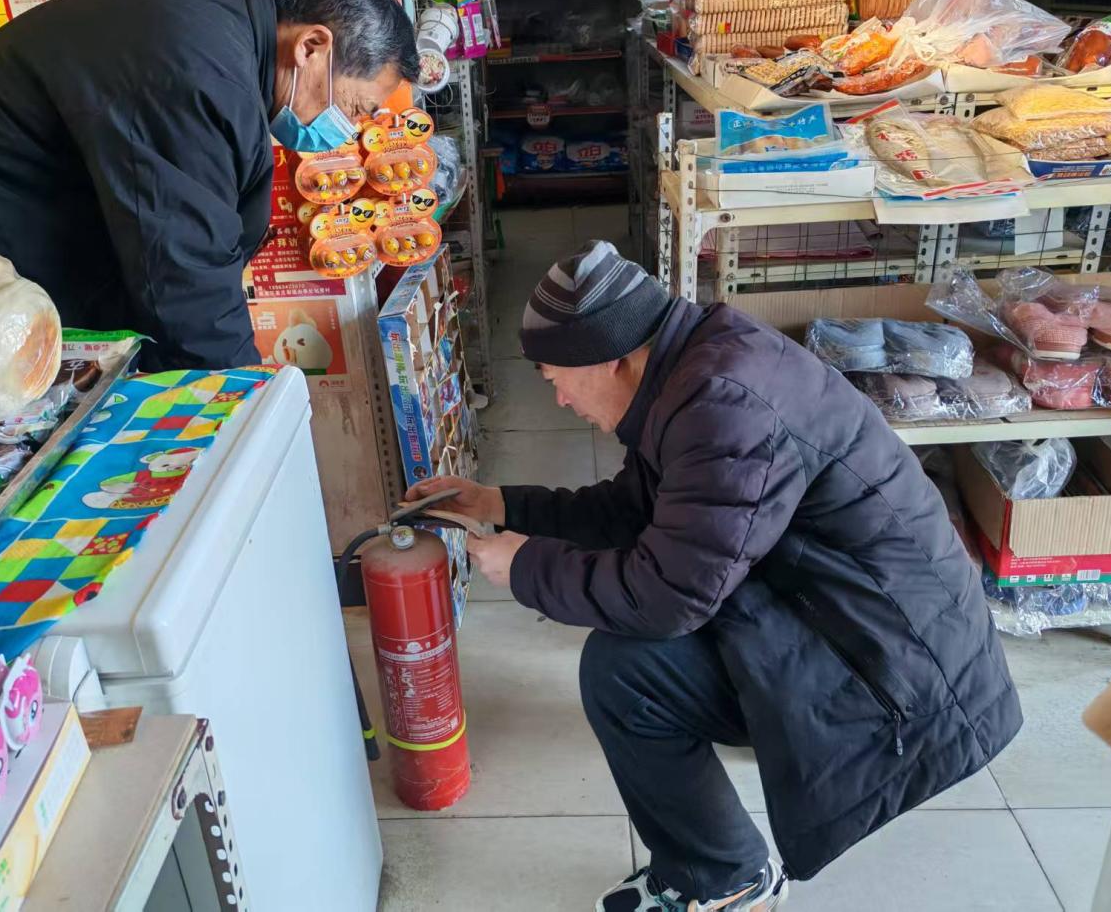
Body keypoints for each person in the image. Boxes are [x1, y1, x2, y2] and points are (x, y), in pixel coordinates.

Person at [409, 240, 1023, 912]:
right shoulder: (695, 367)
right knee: (628, 661)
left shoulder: (720, 404)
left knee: (626, 673)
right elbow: (643, 512)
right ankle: (716, 864)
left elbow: (664, 599)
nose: (556, 399)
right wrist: (500, 505)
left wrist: (525, 565)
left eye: (554, 377)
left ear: (608, 358)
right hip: (840, 616)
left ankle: (728, 880)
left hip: (895, 672)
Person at [0, 0, 416, 370]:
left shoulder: (221, 31)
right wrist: (244, 396)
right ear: (311, 46)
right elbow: (183, 272)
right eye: (354, 108)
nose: (348, 130)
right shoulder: (199, 67)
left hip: (17, 249)